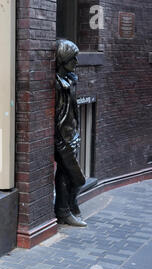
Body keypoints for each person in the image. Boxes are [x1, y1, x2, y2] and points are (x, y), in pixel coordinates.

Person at [54, 39, 87, 227]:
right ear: (63, 60)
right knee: (75, 177)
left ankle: (69, 208)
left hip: (72, 134)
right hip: (63, 138)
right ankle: (64, 211)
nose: (76, 62)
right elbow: (59, 116)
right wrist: (62, 140)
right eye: (73, 59)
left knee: (69, 175)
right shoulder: (59, 85)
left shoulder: (69, 80)